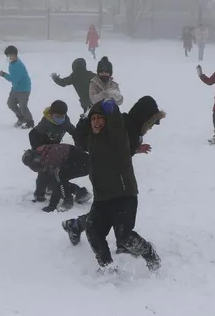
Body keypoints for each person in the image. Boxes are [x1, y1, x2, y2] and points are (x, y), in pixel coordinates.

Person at [63, 96, 164, 248]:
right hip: (106, 175)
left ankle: (77, 225)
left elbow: (119, 151)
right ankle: (79, 225)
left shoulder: (131, 126)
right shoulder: (127, 125)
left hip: (112, 176)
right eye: (150, 123)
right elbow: (107, 145)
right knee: (109, 211)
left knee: (109, 212)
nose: (150, 127)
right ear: (145, 117)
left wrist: (135, 149)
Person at [28, 100, 90, 204]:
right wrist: (38, 148)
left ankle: (79, 191)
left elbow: (73, 132)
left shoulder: (65, 121)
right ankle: (40, 193)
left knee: (56, 176)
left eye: (63, 116)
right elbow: (32, 134)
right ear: (51, 114)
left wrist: (79, 144)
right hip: (44, 151)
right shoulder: (45, 124)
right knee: (44, 173)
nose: (60, 119)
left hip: (56, 152)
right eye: (58, 116)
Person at [22, 143, 90, 212]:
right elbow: (42, 176)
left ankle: (68, 200)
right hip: (76, 162)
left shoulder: (51, 157)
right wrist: (39, 195)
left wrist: (52, 205)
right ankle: (81, 192)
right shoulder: (44, 154)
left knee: (60, 177)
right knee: (54, 176)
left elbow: (57, 182)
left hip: (85, 164)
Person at [0, 45, 33, 129]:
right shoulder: (12, 63)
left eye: (10, 55)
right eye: (7, 56)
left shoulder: (19, 65)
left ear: (15, 55)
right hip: (16, 88)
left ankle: (30, 122)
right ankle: (21, 118)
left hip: (24, 89)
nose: (8, 57)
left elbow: (14, 79)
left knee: (23, 107)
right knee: (11, 103)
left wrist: (3, 74)